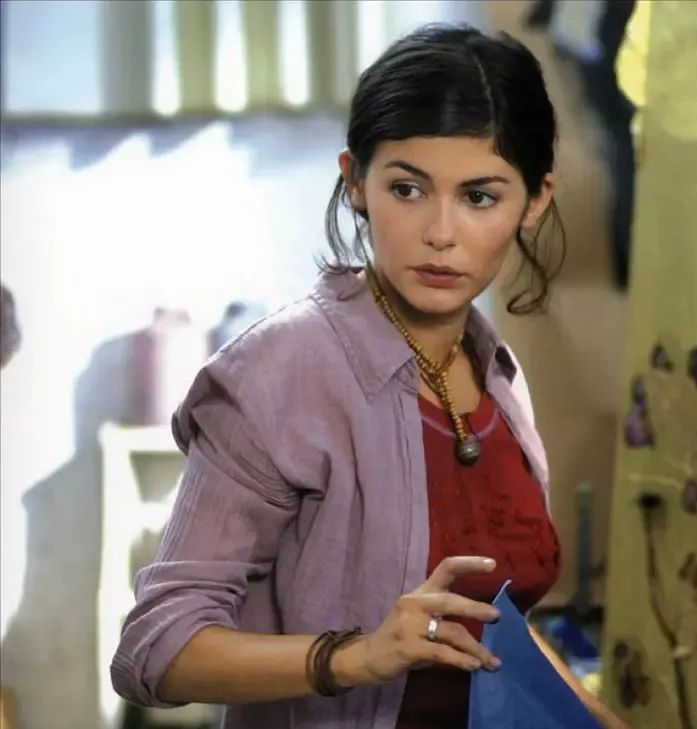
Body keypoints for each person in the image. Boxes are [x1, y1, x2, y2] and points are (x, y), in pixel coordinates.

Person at [110, 23, 628, 729]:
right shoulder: (277, 373)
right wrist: (355, 657)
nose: (440, 232)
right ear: (355, 181)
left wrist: (596, 718)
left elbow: (490, 626)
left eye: (479, 197)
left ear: (534, 201)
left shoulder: (498, 377)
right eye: (407, 189)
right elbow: (154, 648)